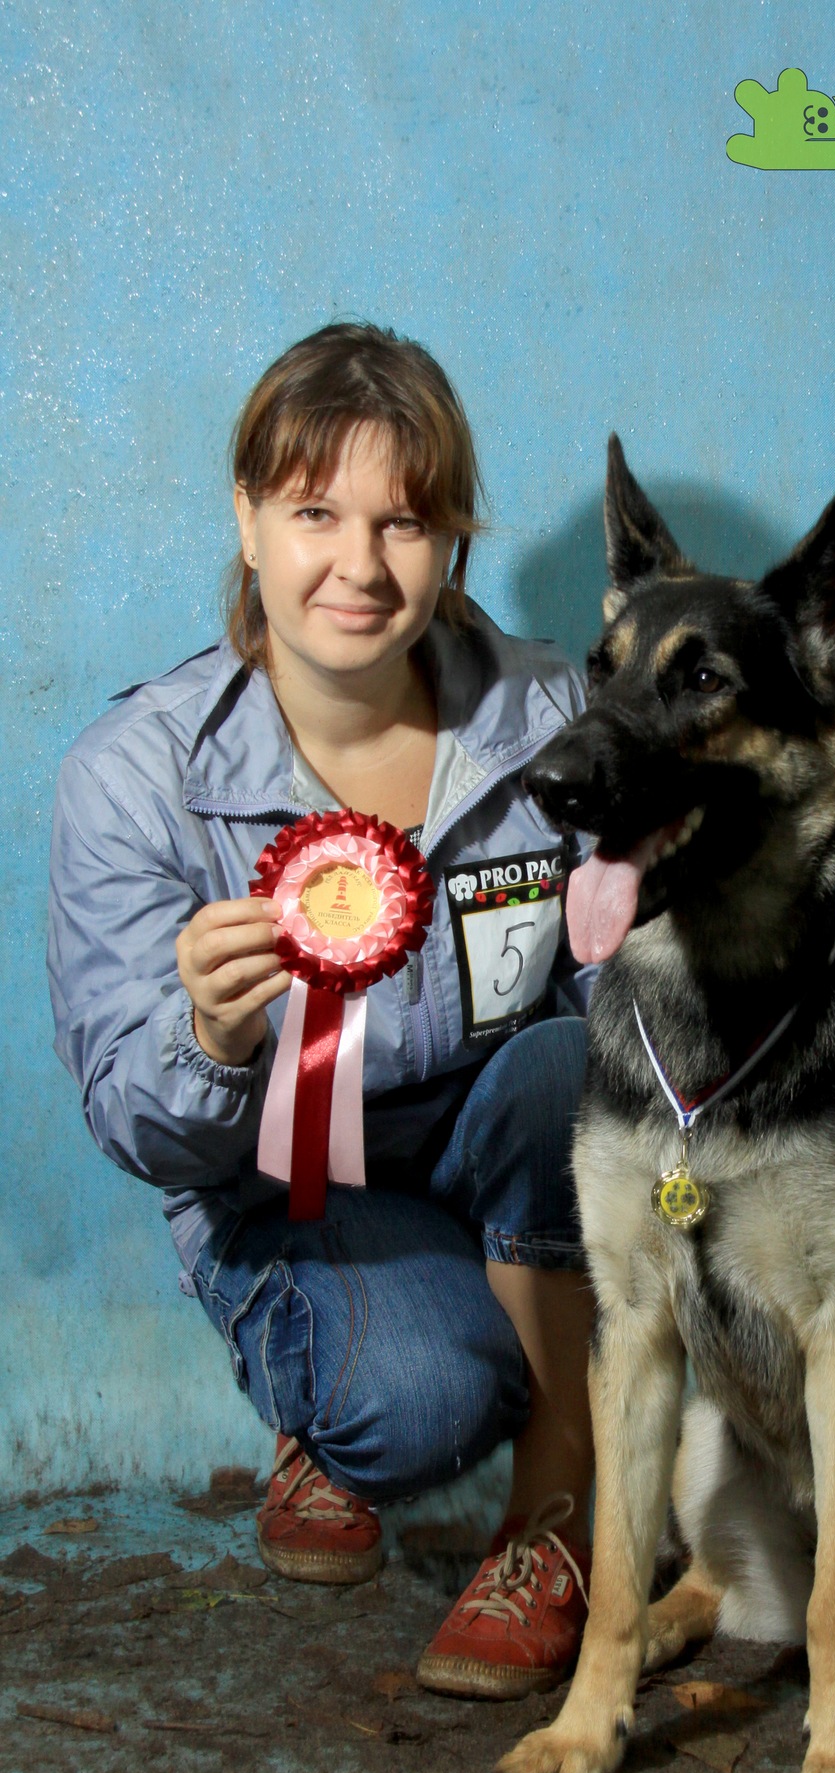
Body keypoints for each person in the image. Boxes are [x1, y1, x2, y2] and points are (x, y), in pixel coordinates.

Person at [48, 323, 599, 1699]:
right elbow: (139, 1131)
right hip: (283, 1183)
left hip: (496, 1141)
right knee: (421, 1405)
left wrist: (768, 913)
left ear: (453, 541)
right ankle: (339, 1393)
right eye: (314, 514)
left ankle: (557, 1526)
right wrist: (210, 1040)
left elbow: (623, 975)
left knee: (572, 1063)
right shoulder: (132, 776)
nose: (360, 565)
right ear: (246, 521)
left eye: (404, 522)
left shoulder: (553, 712)